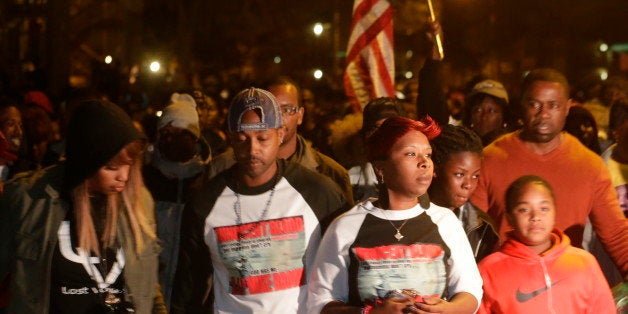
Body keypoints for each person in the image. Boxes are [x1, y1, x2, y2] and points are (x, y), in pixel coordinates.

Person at [171, 87, 347, 313]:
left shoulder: (318, 192)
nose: (252, 149)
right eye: (242, 139)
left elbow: (342, 267)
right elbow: (188, 287)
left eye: (262, 138)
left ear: (280, 134)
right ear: (231, 139)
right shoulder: (205, 203)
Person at [0, 100, 165, 313]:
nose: (124, 176)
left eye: (129, 164)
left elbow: (148, 285)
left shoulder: (139, 200)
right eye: (111, 167)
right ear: (86, 161)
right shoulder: (30, 200)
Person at [307, 116, 483, 314]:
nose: (424, 162)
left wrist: (449, 310)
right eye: (411, 154)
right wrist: (371, 313)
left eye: (428, 154)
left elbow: (471, 290)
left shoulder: (445, 222)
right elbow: (319, 303)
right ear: (380, 168)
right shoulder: (346, 226)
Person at [470, 68, 628, 277]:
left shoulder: (590, 166)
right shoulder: (490, 159)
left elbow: (616, 234)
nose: (543, 114)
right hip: (503, 285)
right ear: (521, 106)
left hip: (566, 286)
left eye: (553, 105)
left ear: (567, 108)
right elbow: (469, 231)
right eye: (534, 104)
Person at [478, 175, 615, 313]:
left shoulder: (584, 263)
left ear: (554, 213)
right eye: (524, 210)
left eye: (544, 209)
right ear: (509, 218)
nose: (535, 217)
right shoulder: (489, 270)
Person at [206, 77, 353, 204]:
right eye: (272, 108)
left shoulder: (330, 173)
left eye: (287, 109)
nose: (279, 117)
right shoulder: (222, 167)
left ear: (300, 114)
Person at [143, 93, 211, 309]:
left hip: (189, 298)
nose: (175, 140)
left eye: (184, 134)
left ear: (196, 139)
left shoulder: (207, 182)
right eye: (168, 133)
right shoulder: (143, 177)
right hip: (149, 295)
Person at [429, 124, 499, 262]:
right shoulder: (408, 215)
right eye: (460, 174)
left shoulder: (482, 227)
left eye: (475, 176)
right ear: (435, 169)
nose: (468, 185)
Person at [348, 97, 407, 202]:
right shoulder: (352, 178)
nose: (383, 135)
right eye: (376, 128)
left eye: (391, 128)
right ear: (366, 135)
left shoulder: (418, 172)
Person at [462, 79, 514, 146]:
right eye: (478, 110)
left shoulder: (511, 148)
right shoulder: (461, 147)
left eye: (491, 111)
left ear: (504, 116)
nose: (484, 117)